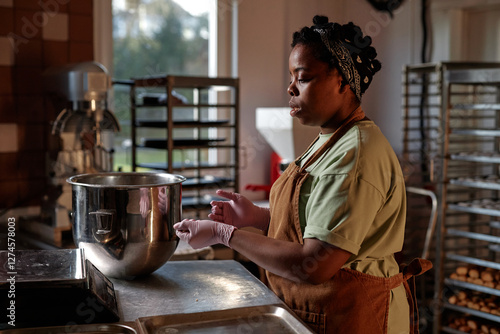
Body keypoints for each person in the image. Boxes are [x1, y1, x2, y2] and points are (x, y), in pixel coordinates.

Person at [174, 15, 431, 334]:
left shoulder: (356, 153)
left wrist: (223, 234)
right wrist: (258, 218)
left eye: (304, 77)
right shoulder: (327, 140)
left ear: (340, 81)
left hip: (355, 318)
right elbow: (316, 227)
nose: (290, 87)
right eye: (292, 77)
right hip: (316, 314)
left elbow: (316, 264)